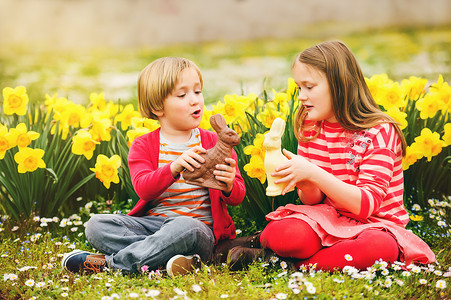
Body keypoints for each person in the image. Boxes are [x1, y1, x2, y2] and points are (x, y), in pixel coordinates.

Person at [227, 41, 435, 271]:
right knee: (284, 234)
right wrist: (306, 183)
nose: (302, 96)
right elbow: (312, 200)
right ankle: (269, 248)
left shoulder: (379, 132)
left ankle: (283, 264)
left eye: (310, 87)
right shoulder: (311, 126)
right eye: (299, 88)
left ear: (340, 85)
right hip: (328, 218)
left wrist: (314, 173)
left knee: (379, 248)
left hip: (376, 226)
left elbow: (366, 205)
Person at [61, 57, 246, 276]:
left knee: (184, 227)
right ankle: (171, 259)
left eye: (198, 91)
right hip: (153, 226)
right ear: (158, 107)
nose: (195, 100)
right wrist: (173, 168)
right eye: (183, 94)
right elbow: (143, 189)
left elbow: (237, 196)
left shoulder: (214, 142)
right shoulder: (143, 145)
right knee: (96, 225)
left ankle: (112, 265)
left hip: (198, 231)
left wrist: (228, 185)